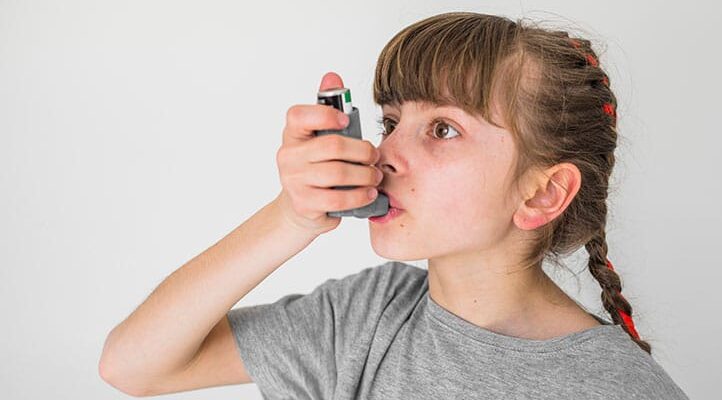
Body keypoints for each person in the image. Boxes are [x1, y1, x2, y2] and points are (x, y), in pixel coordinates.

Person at [99, 11, 689, 399]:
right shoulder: (368, 314)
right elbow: (133, 366)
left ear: (542, 193)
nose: (382, 153)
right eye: (390, 121)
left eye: (443, 130)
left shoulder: (619, 389)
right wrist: (291, 216)